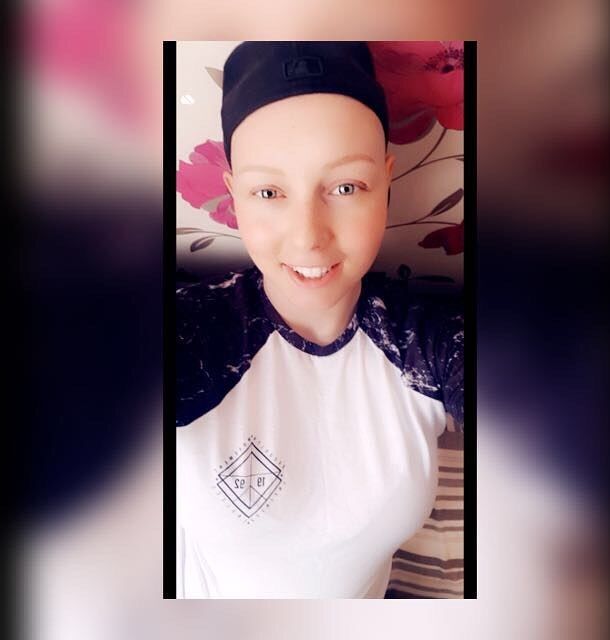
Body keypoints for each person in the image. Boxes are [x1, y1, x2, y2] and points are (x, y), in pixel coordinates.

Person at [176, 41, 464, 598]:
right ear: (235, 195)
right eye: (269, 191)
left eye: (345, 187)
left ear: (385, 182)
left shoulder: (424, 341)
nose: (309, 236)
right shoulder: (195, 333)